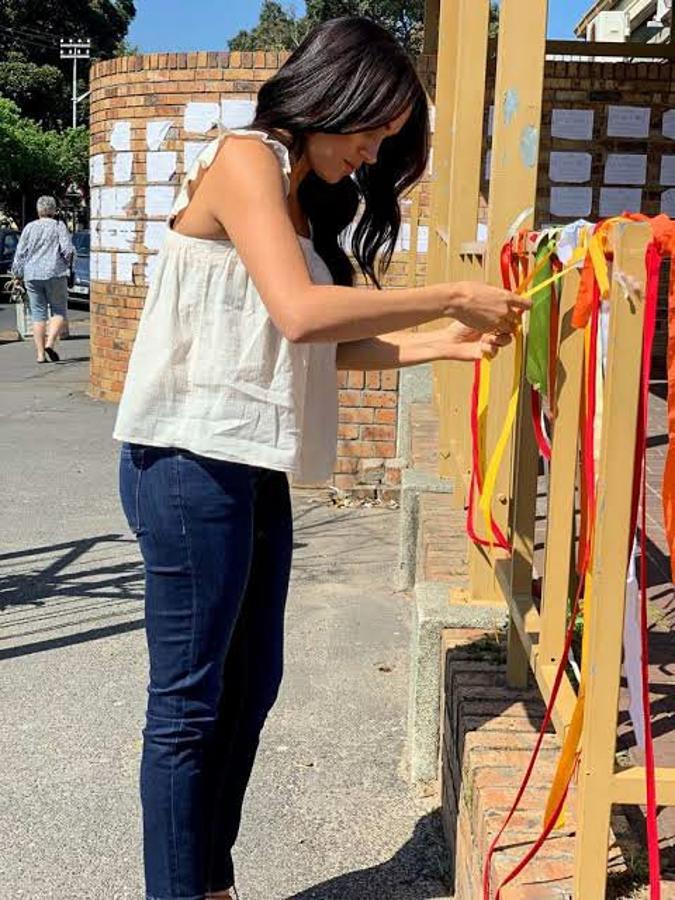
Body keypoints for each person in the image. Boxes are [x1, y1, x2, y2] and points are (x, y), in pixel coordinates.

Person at [114, 17, 529, 900]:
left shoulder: (302, 197)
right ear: (331, 97)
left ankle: (209, 881)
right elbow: (301, 313)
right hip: (187, 462)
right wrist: (451, 290)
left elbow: (318, 347)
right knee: (189, 707)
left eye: (387, 139)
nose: (374, 156)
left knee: (248, 689)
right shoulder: (245, 159)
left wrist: (443, 341)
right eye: (371, 131)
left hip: (248, 464)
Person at [11, 196, 73, 363]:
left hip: (32, 275)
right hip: (55, 273)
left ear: (38, 210)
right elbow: (67, 250)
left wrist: (17, 274)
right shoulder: (59, 226)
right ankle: (50, 343)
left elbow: (20, 253)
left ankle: (39, 354)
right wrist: (66, 264)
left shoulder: (29, 228)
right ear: (53, 210)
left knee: (38, 315)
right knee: (59, 310)